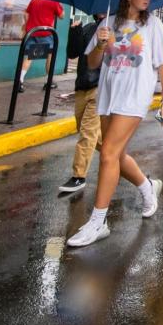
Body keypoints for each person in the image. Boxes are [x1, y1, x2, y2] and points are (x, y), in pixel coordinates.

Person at [66, 0, 163, 247]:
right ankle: (147, 186)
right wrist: (102, 44)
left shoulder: (153, 25)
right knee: (115, 154)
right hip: (108, 94)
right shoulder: (109, 23)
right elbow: (92, 63)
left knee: (108, 154)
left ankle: (98, 221)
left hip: (135, 96)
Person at [58, 13, 106, 193]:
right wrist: (75, 31)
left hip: (100, 88)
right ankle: (118, 159)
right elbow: (72, 53)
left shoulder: (113, 32)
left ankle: (79, 176)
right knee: (89, 132)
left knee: (87, 132)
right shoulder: (88, 28)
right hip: (82, 86)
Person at [19, 0, 64, 92]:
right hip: (46, 34)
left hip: (32, 32)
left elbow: (26, 14)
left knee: (28, 57)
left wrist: (27, 25)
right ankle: (49, 82)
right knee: (50, 57)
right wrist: (60, 7)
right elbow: (62, 16)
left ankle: (20, 80)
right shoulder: (53, 1)